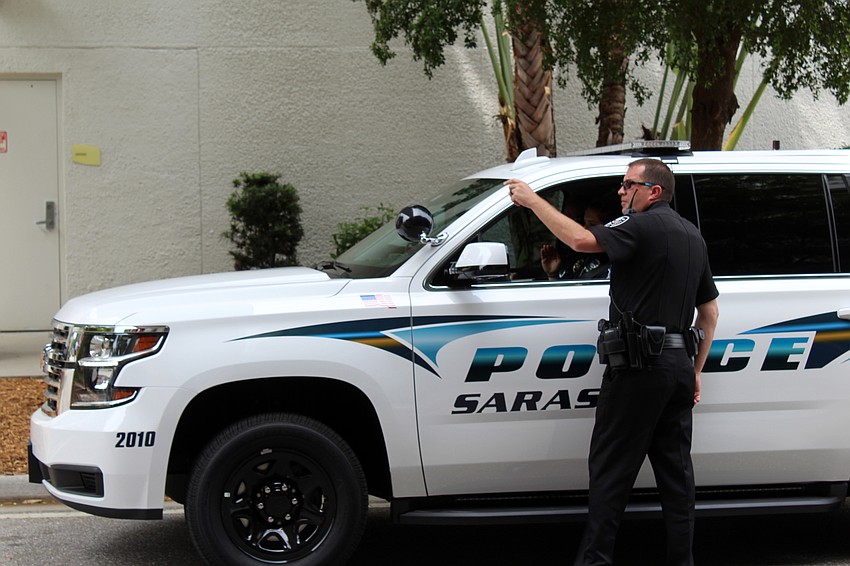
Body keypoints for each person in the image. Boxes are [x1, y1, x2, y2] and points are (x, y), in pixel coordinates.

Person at [506, 158, 720, 566]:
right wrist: (694, 372)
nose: (620, 192)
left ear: (652, 191)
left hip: (638, 369)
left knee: (610, 474)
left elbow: (582, 241)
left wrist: (533, 201)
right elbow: (709, 313)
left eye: (627, 185)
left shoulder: (639, 225)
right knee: (677, 480)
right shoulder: (693, 236)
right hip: (677, 367)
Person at [541, 201, 618, 280]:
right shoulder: (584, 258)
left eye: (592, 224)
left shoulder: (612, 269)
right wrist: (553, 275)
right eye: (584, 222)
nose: (585, 228)